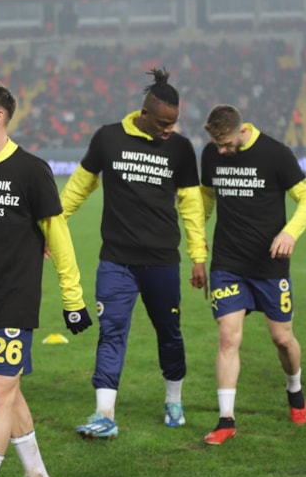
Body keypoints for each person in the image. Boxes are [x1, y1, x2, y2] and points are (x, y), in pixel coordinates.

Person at [0, 82, 92, 477]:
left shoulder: (31, 170)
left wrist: (73, 299)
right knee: (9, 395)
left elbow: (58, 237)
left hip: (15, 303)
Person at [60, 68, 208, 440]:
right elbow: (79, 187)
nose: (169, 130)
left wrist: (198, 256)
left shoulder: (180, 149)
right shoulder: (108, 138)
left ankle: (173, 400)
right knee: (111, 333)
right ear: (144, 113)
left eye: (173, 123)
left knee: (169, 334)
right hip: (116, 261)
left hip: (162, 262)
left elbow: (191, 206)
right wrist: (52, 225)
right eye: (162, 123)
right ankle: (104, 414)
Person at [199, 104, 306, 445]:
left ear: (241, 130)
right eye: (216, 144)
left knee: (282, 339)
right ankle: (226, 420)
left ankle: (294, 389)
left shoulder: (275, 154)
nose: (221, 151)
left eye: (225, 144)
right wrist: (197, 237)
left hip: (269, 265)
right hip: (227, 263)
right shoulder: (210, 154)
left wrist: (290, 233)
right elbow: (206, 198)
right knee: (227, 338)